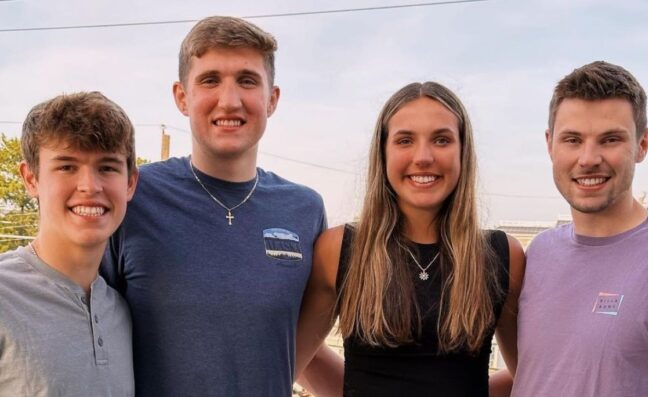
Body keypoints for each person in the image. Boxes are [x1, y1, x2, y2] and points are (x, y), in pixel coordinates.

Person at [101, 16, 333, 396]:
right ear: (181, 96)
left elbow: (293, 343)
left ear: (271, 99)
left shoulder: (305, 209)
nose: (229, 100)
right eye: (210, 80)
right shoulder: (133, 197)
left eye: (247, 80)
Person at [295, 81, 525, 396]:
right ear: (383, 152)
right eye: (405, 140)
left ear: (463, 151)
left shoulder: (502, 255)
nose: (423, 157)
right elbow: (290, 362)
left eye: (442, 140)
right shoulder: (339, 249)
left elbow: (530, 375)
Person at [511, 61, 648, 396]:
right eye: (572, 139)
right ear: (550, 144)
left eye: (610, 139)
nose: (588, 159)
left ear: (643, 144)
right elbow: (540, 376)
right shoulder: (539, 253)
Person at [0, 92, 138, 395]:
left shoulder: (121, 312)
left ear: (130, 183)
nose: (90, 186)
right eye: (67, 166)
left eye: (107, 167)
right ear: (31, 178)